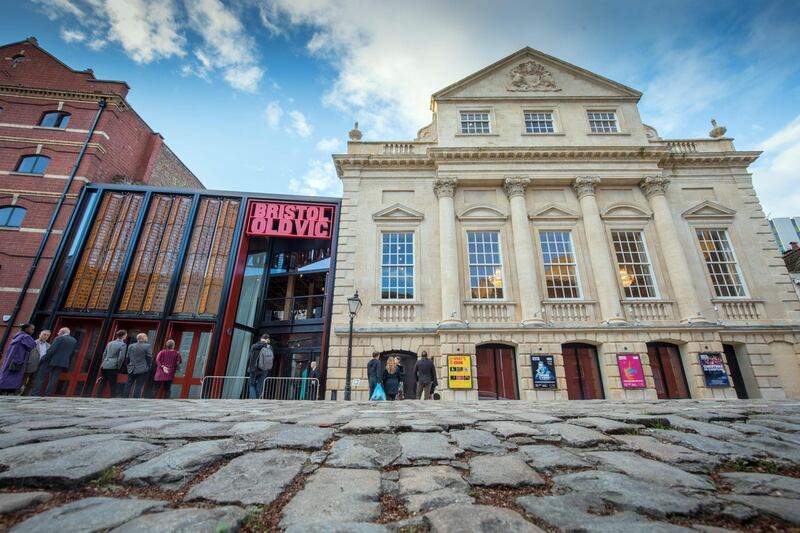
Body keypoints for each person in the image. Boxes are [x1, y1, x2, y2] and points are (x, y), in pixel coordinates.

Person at [32, 327, 77, 396]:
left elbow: (51, 350)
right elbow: (72, 353)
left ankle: (35, 394)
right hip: (62, 363)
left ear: (62, 332)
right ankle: (47, 395)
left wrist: (43, 358)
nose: (57, 333)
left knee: (40, 378)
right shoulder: (74, 341)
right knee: (53, 379)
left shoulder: (59, 338)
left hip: (50, 361)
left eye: (59, 332)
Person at [0, 323, 36, 394]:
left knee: (5, 374)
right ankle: (8, 390)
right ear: (26, 329)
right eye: (32, 329)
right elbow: (33, 344)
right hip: (18, 360)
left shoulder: (17, 335)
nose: (33, 331)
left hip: (10, 359)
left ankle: (3, 388)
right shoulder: (25, 337)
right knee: (13, 376)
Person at [97, 329, 128, 398]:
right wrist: (118, 366)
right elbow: (121, 358)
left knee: (103, 381)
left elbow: (104, 354)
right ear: (123, 336)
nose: (126, 336)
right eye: (126, 335)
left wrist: (103, 362)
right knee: (113, 383)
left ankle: (98, 396)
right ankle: (113, 397)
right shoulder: (123, 345)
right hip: (113, 365)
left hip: (105, 364)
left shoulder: (110, 343)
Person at [123, 333, 152, 398]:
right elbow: (149, 358)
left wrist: (128, 365)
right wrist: (149, 366)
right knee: (139, 385)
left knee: (128, 383)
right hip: (142, 369)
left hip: (131, 368)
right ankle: (135, 398)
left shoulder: (131, 346)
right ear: (144, 338)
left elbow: (127, 357)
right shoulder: (147, 346)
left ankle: (124, 397)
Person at [22, 329, 50, 393]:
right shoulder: (33, 342)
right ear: (39, 335)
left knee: (32, 384)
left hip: (40, 367)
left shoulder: (48, 346)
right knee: (22, 381)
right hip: (30, 365)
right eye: (44, 334)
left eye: (47, 335)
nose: (45, 336)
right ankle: (16, 394)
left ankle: (26, 396)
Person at [246, 334, 273, 399]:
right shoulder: (269, 347)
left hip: (253, 369)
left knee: (252, 385)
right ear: (268, 340)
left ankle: (253, 400)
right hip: (264, 369)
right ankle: (256, 400)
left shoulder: (254, 346)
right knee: (260, 386)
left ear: (261, 338)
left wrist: (249, 368)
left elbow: (249, 358)